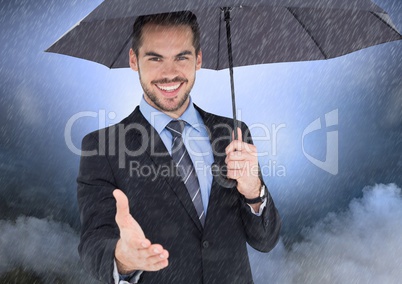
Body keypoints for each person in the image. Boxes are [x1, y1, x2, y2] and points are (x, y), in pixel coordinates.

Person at [77, 11, 281, 284]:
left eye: (181, 57)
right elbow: (93, 243)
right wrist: (123, 258)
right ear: (133, 60)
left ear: (198, 58)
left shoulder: (232, 134)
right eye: (155, 58)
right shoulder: (102, 147)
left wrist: (253, 193)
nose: (169, 73)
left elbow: (265, 240)